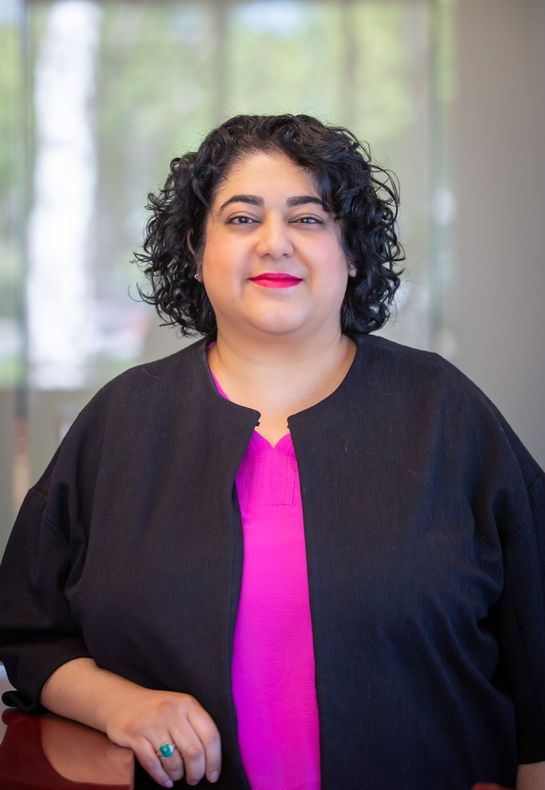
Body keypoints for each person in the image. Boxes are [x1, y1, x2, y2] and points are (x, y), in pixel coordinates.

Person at [0, 113, 544, 790]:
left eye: (309, 218)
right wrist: (123, 704)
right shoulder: (122, 420)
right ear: (196, 254)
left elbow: (538, 647)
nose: (274, 243)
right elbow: (27, 631)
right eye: (240, 218)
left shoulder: (445, 412)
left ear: (351, 253)